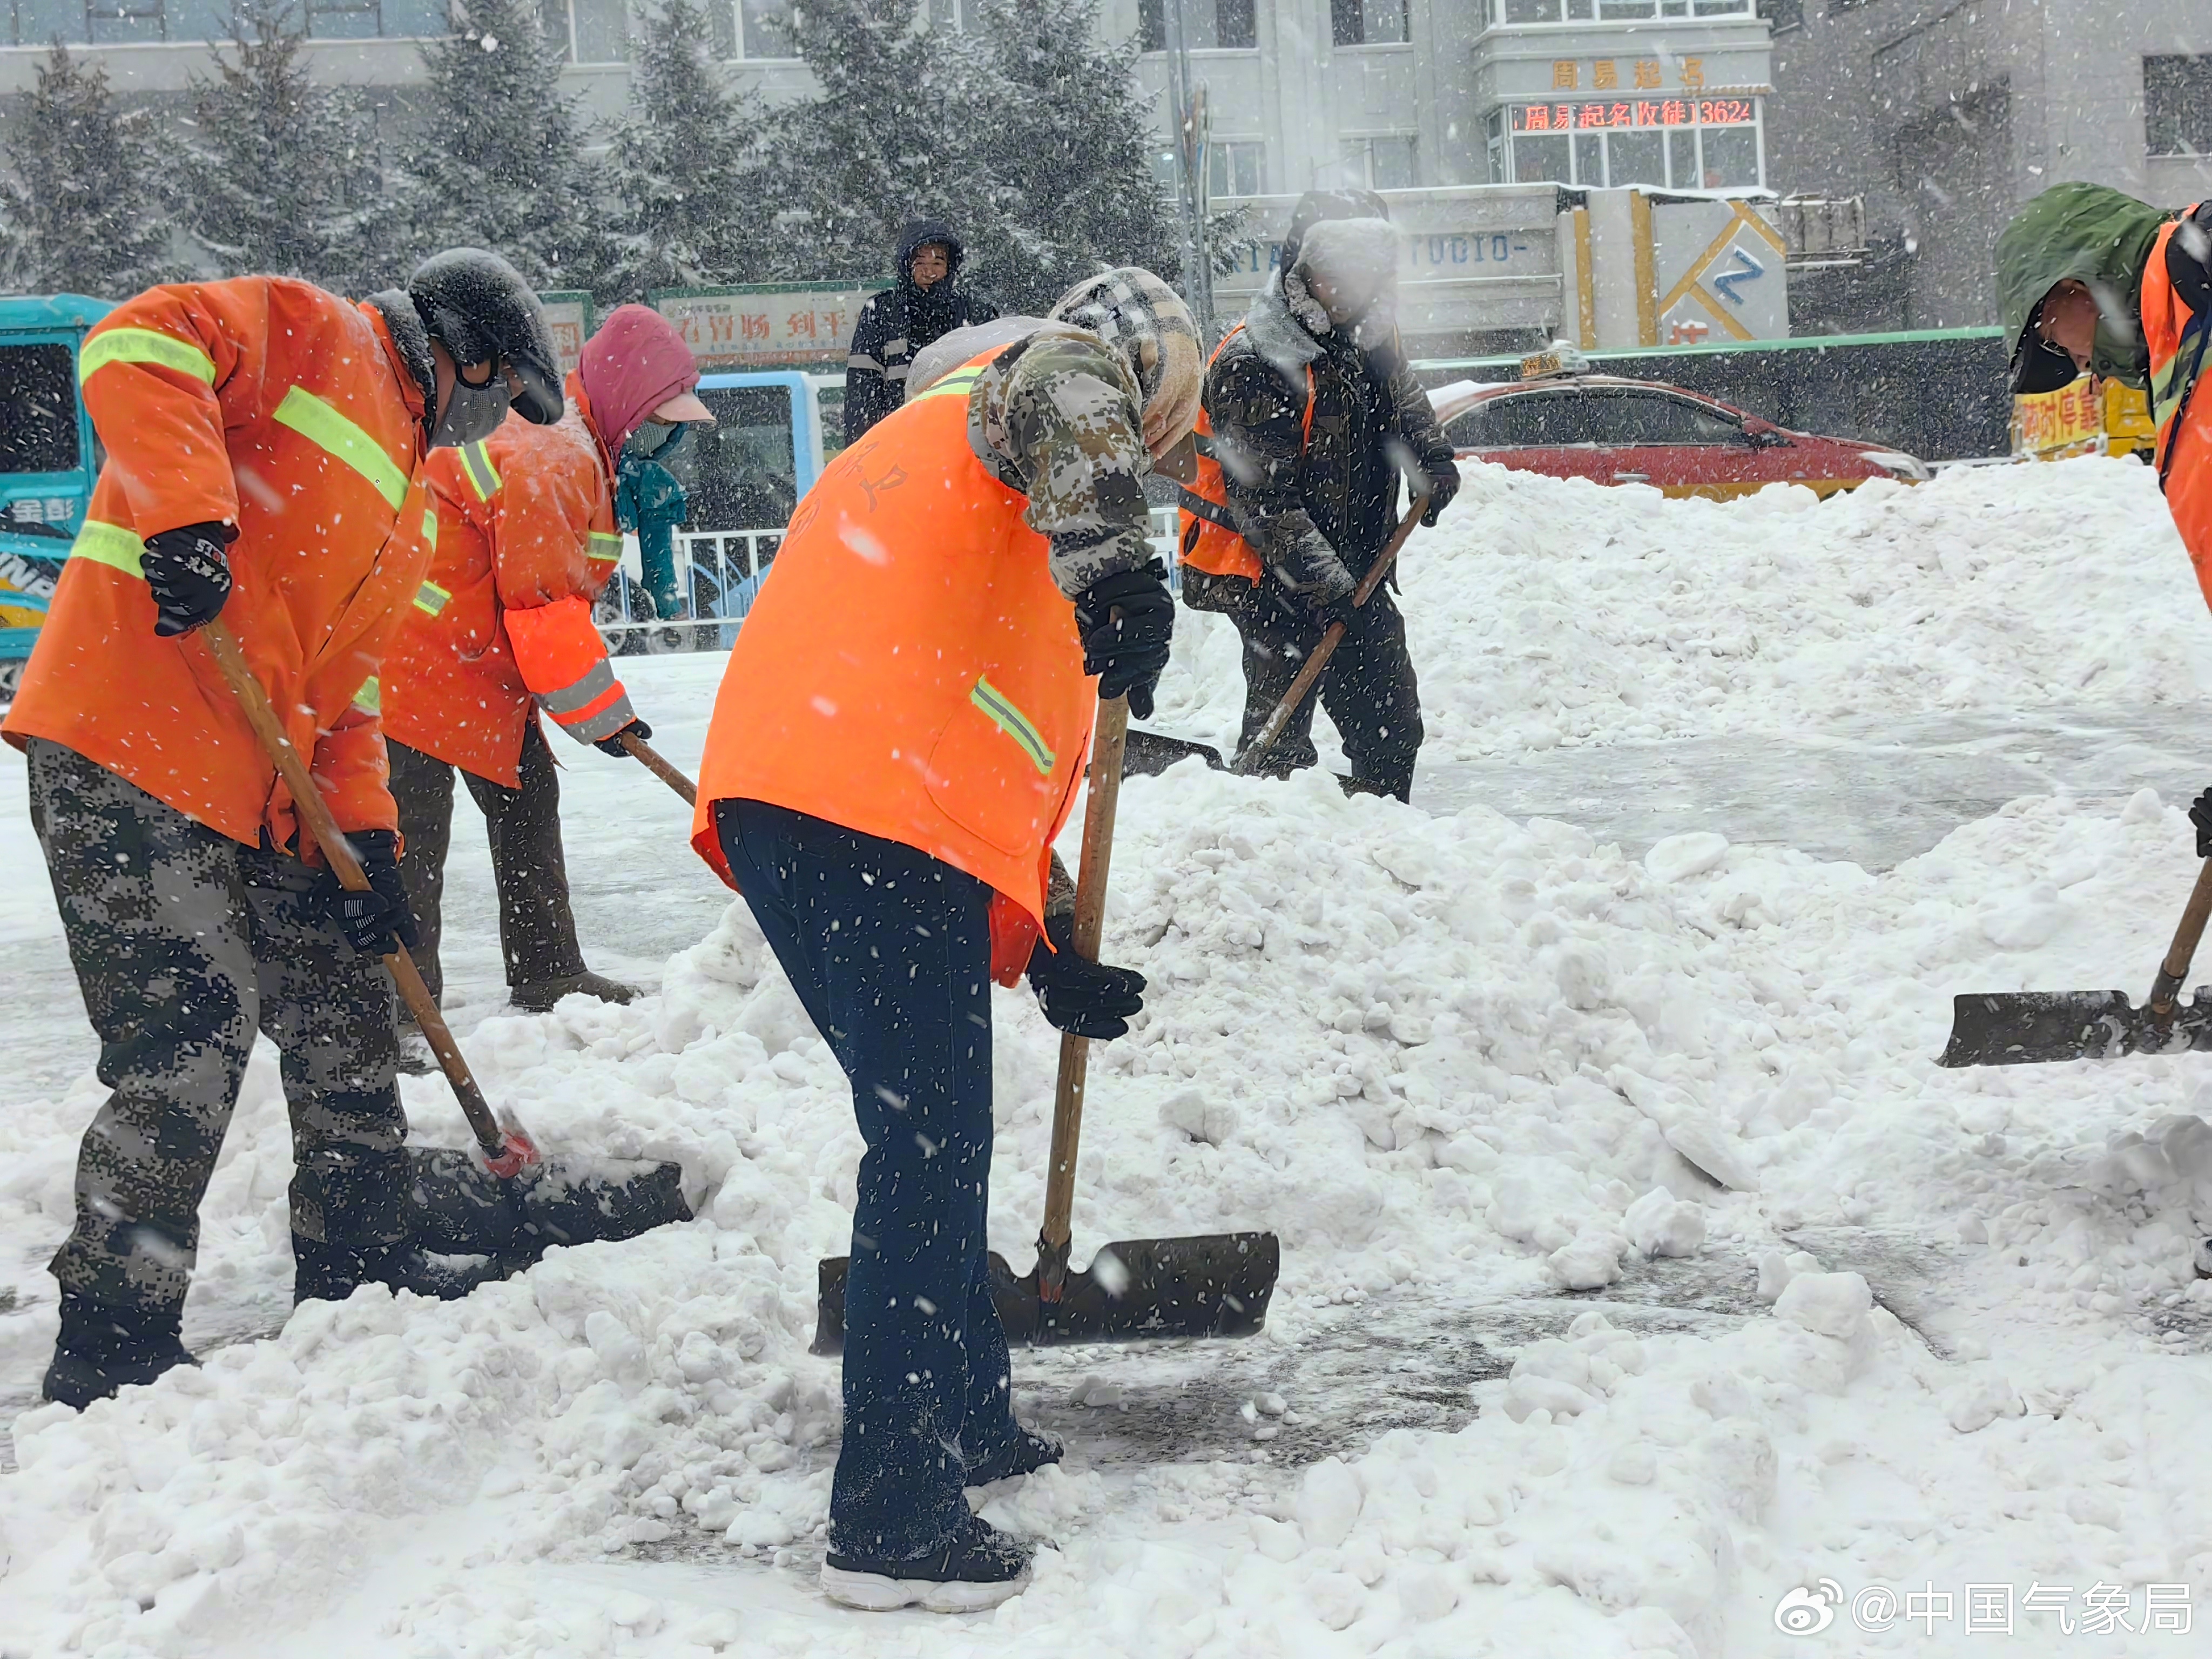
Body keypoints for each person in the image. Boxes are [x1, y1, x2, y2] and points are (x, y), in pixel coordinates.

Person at [688, 268, 1201, 1611]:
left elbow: (979, 761)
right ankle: (892, 1515)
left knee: (931, 1126)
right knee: (925, 1147)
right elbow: (1067, 370)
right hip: (854, 810)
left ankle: (964, 1409)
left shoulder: (945, 492)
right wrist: (1116, 564)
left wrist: (1050, 951)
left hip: (823, 803)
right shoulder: (1022, 391)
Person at [4, 251, 565, 1409]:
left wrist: (367, 852)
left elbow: (346, 696)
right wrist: (190, 520)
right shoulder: (313, 332)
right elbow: (135, 342)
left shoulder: (404, 504)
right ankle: (115, 1329)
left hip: (261, 781)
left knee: (345, 989)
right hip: (129, 739)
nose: (490, 420)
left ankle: (361, 1254)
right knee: (189, 1034)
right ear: (461, 346)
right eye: (498, 390)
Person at [380, 304, 714, 1028]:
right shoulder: (552, 455)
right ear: (625, 398)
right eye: (657, 418)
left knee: (527, 808)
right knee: (412, 838)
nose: (660, 437)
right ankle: (399, 1010)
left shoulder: (574, 443)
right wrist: (607, 717)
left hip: (478, 663)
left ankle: (548, 971)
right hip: (420, 659)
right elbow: (544, 609)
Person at [1178, 191, 1461, 802]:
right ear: (1302, 271)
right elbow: (1263, 502)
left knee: (1391, 728)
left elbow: (1403, 394)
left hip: (1355, 557)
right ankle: (1271, 842)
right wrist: (1328, 589)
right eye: (1339, 277)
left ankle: (1382, 841)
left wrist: (1431, 456)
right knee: (1282, 738)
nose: (1352, 292)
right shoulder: (1258, 358)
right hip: (1266, 572)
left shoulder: (1366, 327)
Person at [1996, 185, 2212, 603]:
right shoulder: (2172, 347)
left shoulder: (2195, 260)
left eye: (2053, 340)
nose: (2077, 364)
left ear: (2074, 284)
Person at [843, 217, 999, 443]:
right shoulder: (881, 312)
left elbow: (997, 379)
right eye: (920, 263)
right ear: (906, 266)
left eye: (937, 263)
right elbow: (863, 388)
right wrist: (860, 446)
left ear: (950, 267)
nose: (929, 272)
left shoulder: (976, 312)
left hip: (962, 438)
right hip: (901, 438)